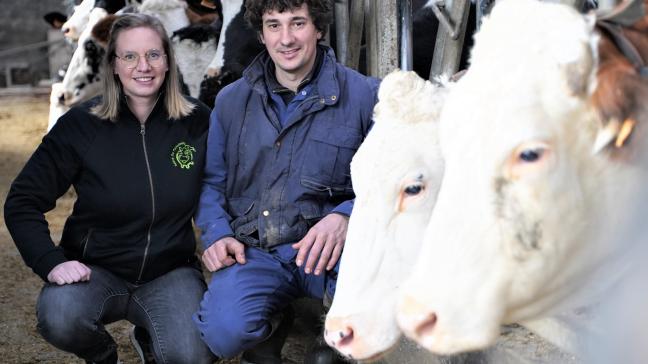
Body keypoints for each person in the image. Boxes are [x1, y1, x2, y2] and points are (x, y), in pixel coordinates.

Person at [4, 14, 214, 364]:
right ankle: (101, 354)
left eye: (153, 55)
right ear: (114, 65)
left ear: (167, 61)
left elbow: (224, 190)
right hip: (96, 271)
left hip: (171, 272)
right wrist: (51, 261)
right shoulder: (81, 125)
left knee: (192, 355)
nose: (142, 66)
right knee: (60, 316)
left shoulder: (198, 121)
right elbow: (22, 201)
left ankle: (150, 337)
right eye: (129, 56)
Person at [193, 0, 380, 363]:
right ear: (261, 34)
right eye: (274, 25)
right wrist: (218, 233)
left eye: (298, 23)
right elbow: (211, 181)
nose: (286, 38)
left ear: (319, 29)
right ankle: (273, 322)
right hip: (257, 250)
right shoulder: (231, 102)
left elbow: (391, 183)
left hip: (334, 253)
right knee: (224, 333)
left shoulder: (365, 96)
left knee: (368, 317)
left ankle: (332, 347)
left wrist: (346, 216)